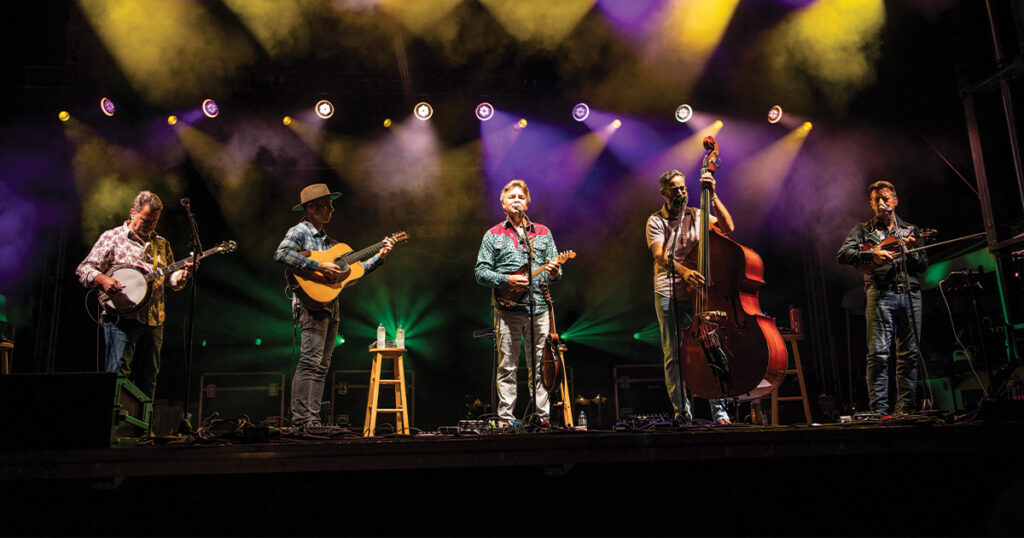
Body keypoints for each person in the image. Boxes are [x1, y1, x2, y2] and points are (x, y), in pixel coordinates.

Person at [274, 183, 394, 429]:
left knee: (321, 367)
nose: (331, 210)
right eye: (326, 205)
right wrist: (318, 266)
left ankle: (313, 421)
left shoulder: (330, 243)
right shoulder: (299, 231)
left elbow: (353, 272)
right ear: (310, 208)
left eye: (331, 205)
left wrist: (379, 257)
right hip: (310, 307)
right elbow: (281, 254)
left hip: (330, 306)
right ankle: (301, 422)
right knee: (309, 362)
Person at [75, 190, 193, 399]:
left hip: (154, 320)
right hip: (121, 319)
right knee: (118, 375)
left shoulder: (161, 244)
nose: (149, 225)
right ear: (132, 213)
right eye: (145, 220)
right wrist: (103, 280)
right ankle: (113, 427)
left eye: (154, 221)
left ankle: (142, 430)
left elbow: (170, 281)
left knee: (149, 377)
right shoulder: (112, 238)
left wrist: (182, 276)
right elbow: (84, 269)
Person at [646, 169, 734, 425]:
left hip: (698, 293)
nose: (681, 193)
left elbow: (728, 227)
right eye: (675, 189)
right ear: (664, 193)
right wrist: (684, 271)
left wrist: (713, 196)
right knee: (673, 354)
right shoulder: (655, 221)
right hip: (667, 291)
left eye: (683, 188)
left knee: (710, 347)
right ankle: (681, 412)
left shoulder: (697, 214)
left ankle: (720, 412)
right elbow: (661, 256)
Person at [837, 180, 927, 416]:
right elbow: (843, 254)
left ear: (895, 201)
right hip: (880, 293)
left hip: (910, 293)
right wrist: (872, 255)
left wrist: (908, 250)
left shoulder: (910, 230)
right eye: (877, 199)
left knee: (909, 354)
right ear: (871, 203)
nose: (881, 203)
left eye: (885, 198)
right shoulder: (863, 230)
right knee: (878, 354)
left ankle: (906, 409)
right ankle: (879, 412)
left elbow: (922, 264)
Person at [474, 179, 561, 426]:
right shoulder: (493, 235)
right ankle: (505, 420)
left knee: (542, 366)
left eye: (520, 197)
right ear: (502, 203)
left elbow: (556, 274)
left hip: (540, 309)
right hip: (508, 309)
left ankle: (542, 419)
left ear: (527, 202)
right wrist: (506, 280)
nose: (516, 200)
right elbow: (480, 272)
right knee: (508, 366)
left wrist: (554, 272)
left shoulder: (543, 233)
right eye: (511, 196)